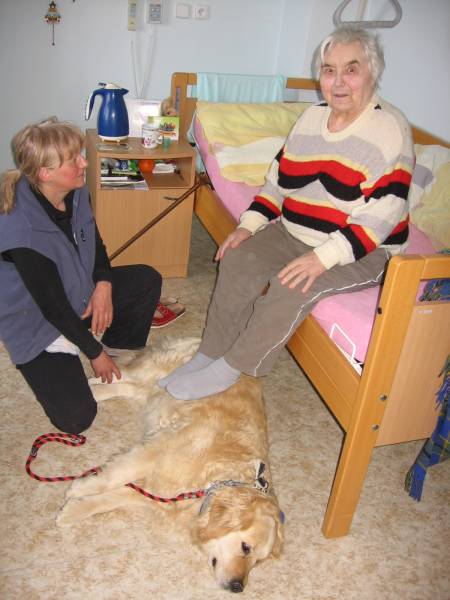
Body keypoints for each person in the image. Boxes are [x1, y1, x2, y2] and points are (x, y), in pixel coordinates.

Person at [159, 26, 414, 400]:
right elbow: (277, 184)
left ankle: (233, 368)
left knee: (290, 284)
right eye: (329, 70)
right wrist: (248, 226)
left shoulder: (389, 129)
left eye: (351, 69)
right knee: (237, 258)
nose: (338, 82)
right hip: (293, 231)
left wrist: (323, 258)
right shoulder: (311, 118)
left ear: (372, 73)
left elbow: (382, 216)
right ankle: (208, 354)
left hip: (364, 249)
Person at [0, 117, 162, 433]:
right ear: (45, 173)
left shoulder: (75, 192)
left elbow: (96, 244)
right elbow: (52, 306)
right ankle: (77, 348)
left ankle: (116, 351)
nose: (84, 163)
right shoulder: (22, 229)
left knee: (146, 281)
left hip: (78, 293)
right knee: (76, 418)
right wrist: (94, 353)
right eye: (73, 159)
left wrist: (103, 284)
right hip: (37, 321)